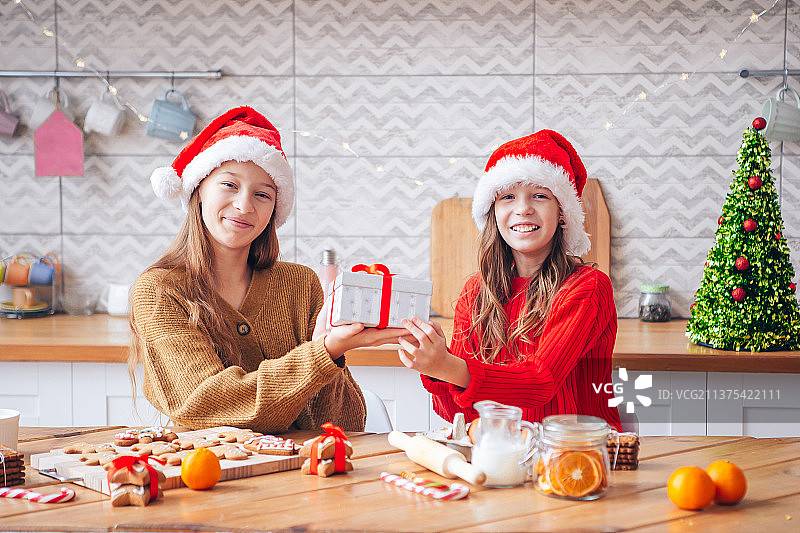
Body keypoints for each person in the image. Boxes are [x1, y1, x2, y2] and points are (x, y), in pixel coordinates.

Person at [129, 106, 406, 433]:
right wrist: (322, 353)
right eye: (230, 185)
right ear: (199, 189)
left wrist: (328, 350)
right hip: (206, 474)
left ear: (274, 209)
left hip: (303, 476)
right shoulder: (160, 291)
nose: (245, 205)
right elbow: (208, 406)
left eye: (262, 194)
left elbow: (344, 425)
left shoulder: (300, 284)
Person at [398, 130, 622, 431]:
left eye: (540, 195)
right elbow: (457, 415)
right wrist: (437, 365)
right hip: (502, 454)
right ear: (494, 212)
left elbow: (541, 382)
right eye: (508, 197)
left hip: (575, 457)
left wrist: (450, 367)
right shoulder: (476, 293)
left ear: (562, 214)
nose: (523, 208)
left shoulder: (587, 287)